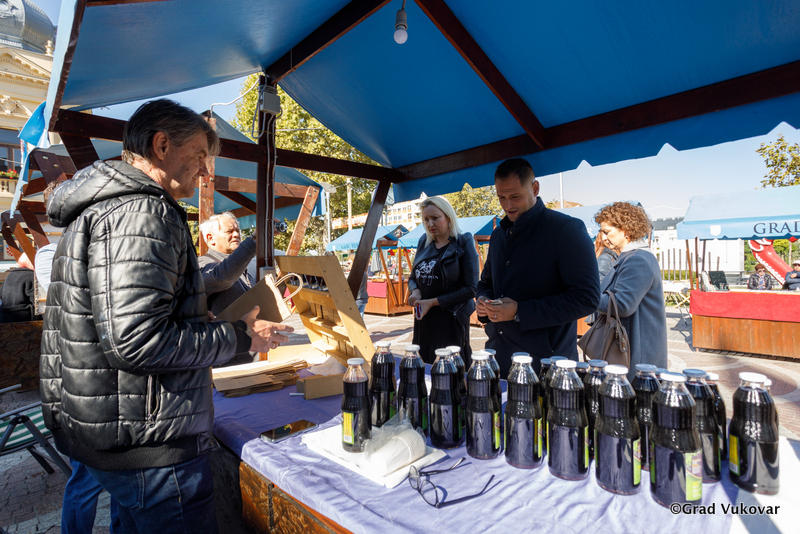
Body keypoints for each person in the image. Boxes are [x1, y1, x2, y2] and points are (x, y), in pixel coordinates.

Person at [40, 99, 293, 534]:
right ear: (161, 145)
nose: (206, 171)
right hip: (150, 445)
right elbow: (137, 341)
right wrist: (240, 337)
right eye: (200, 155)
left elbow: (117, 325)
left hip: (117, 433)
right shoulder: (143, 210)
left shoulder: (104, 208)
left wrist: (196, 323)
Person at [476, 158, 600, 376]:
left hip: (547, 365)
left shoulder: (567, 229)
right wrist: (483, 301)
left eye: (515, 197)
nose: (507, 205)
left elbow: (587, 298)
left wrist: (519, 311)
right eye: (501, 197)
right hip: (499, 357)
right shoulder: (498, 235)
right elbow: (485, 283)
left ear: (535, 188)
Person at [594, 202, 668, 380]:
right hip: (630, 350)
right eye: (602, 232)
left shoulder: (637, 259)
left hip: (637, 355)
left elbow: (622, 305)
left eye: (607, 232)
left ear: (626, 230)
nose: (603, 237)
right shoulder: (630, 256)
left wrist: (585, 297)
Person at [407, 196, 479, 365]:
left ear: (448, 217)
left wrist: (431, 302)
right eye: (426, 219)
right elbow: (412, 277)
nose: (430, 224)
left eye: (435, 218)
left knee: (449, 372)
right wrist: (415, 290)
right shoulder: (423, 242)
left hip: (451, 322)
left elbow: (471, 289)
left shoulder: (463, 241)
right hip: (424, 321)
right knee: (424, 369)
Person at [198, 212, 260, 367]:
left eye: (237, 230)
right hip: (227, 362)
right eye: (229, 231)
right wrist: (254, 241)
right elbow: (222, 277)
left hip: (249, 357)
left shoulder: (241, 267)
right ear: (210, 238)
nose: (236, 235)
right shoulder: (203, 264)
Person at [0, 253, 39, 322]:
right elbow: (36, 301)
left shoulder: (10, 275)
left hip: (5, 317)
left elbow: (1, 295)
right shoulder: (31, 276)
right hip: (25, 319)